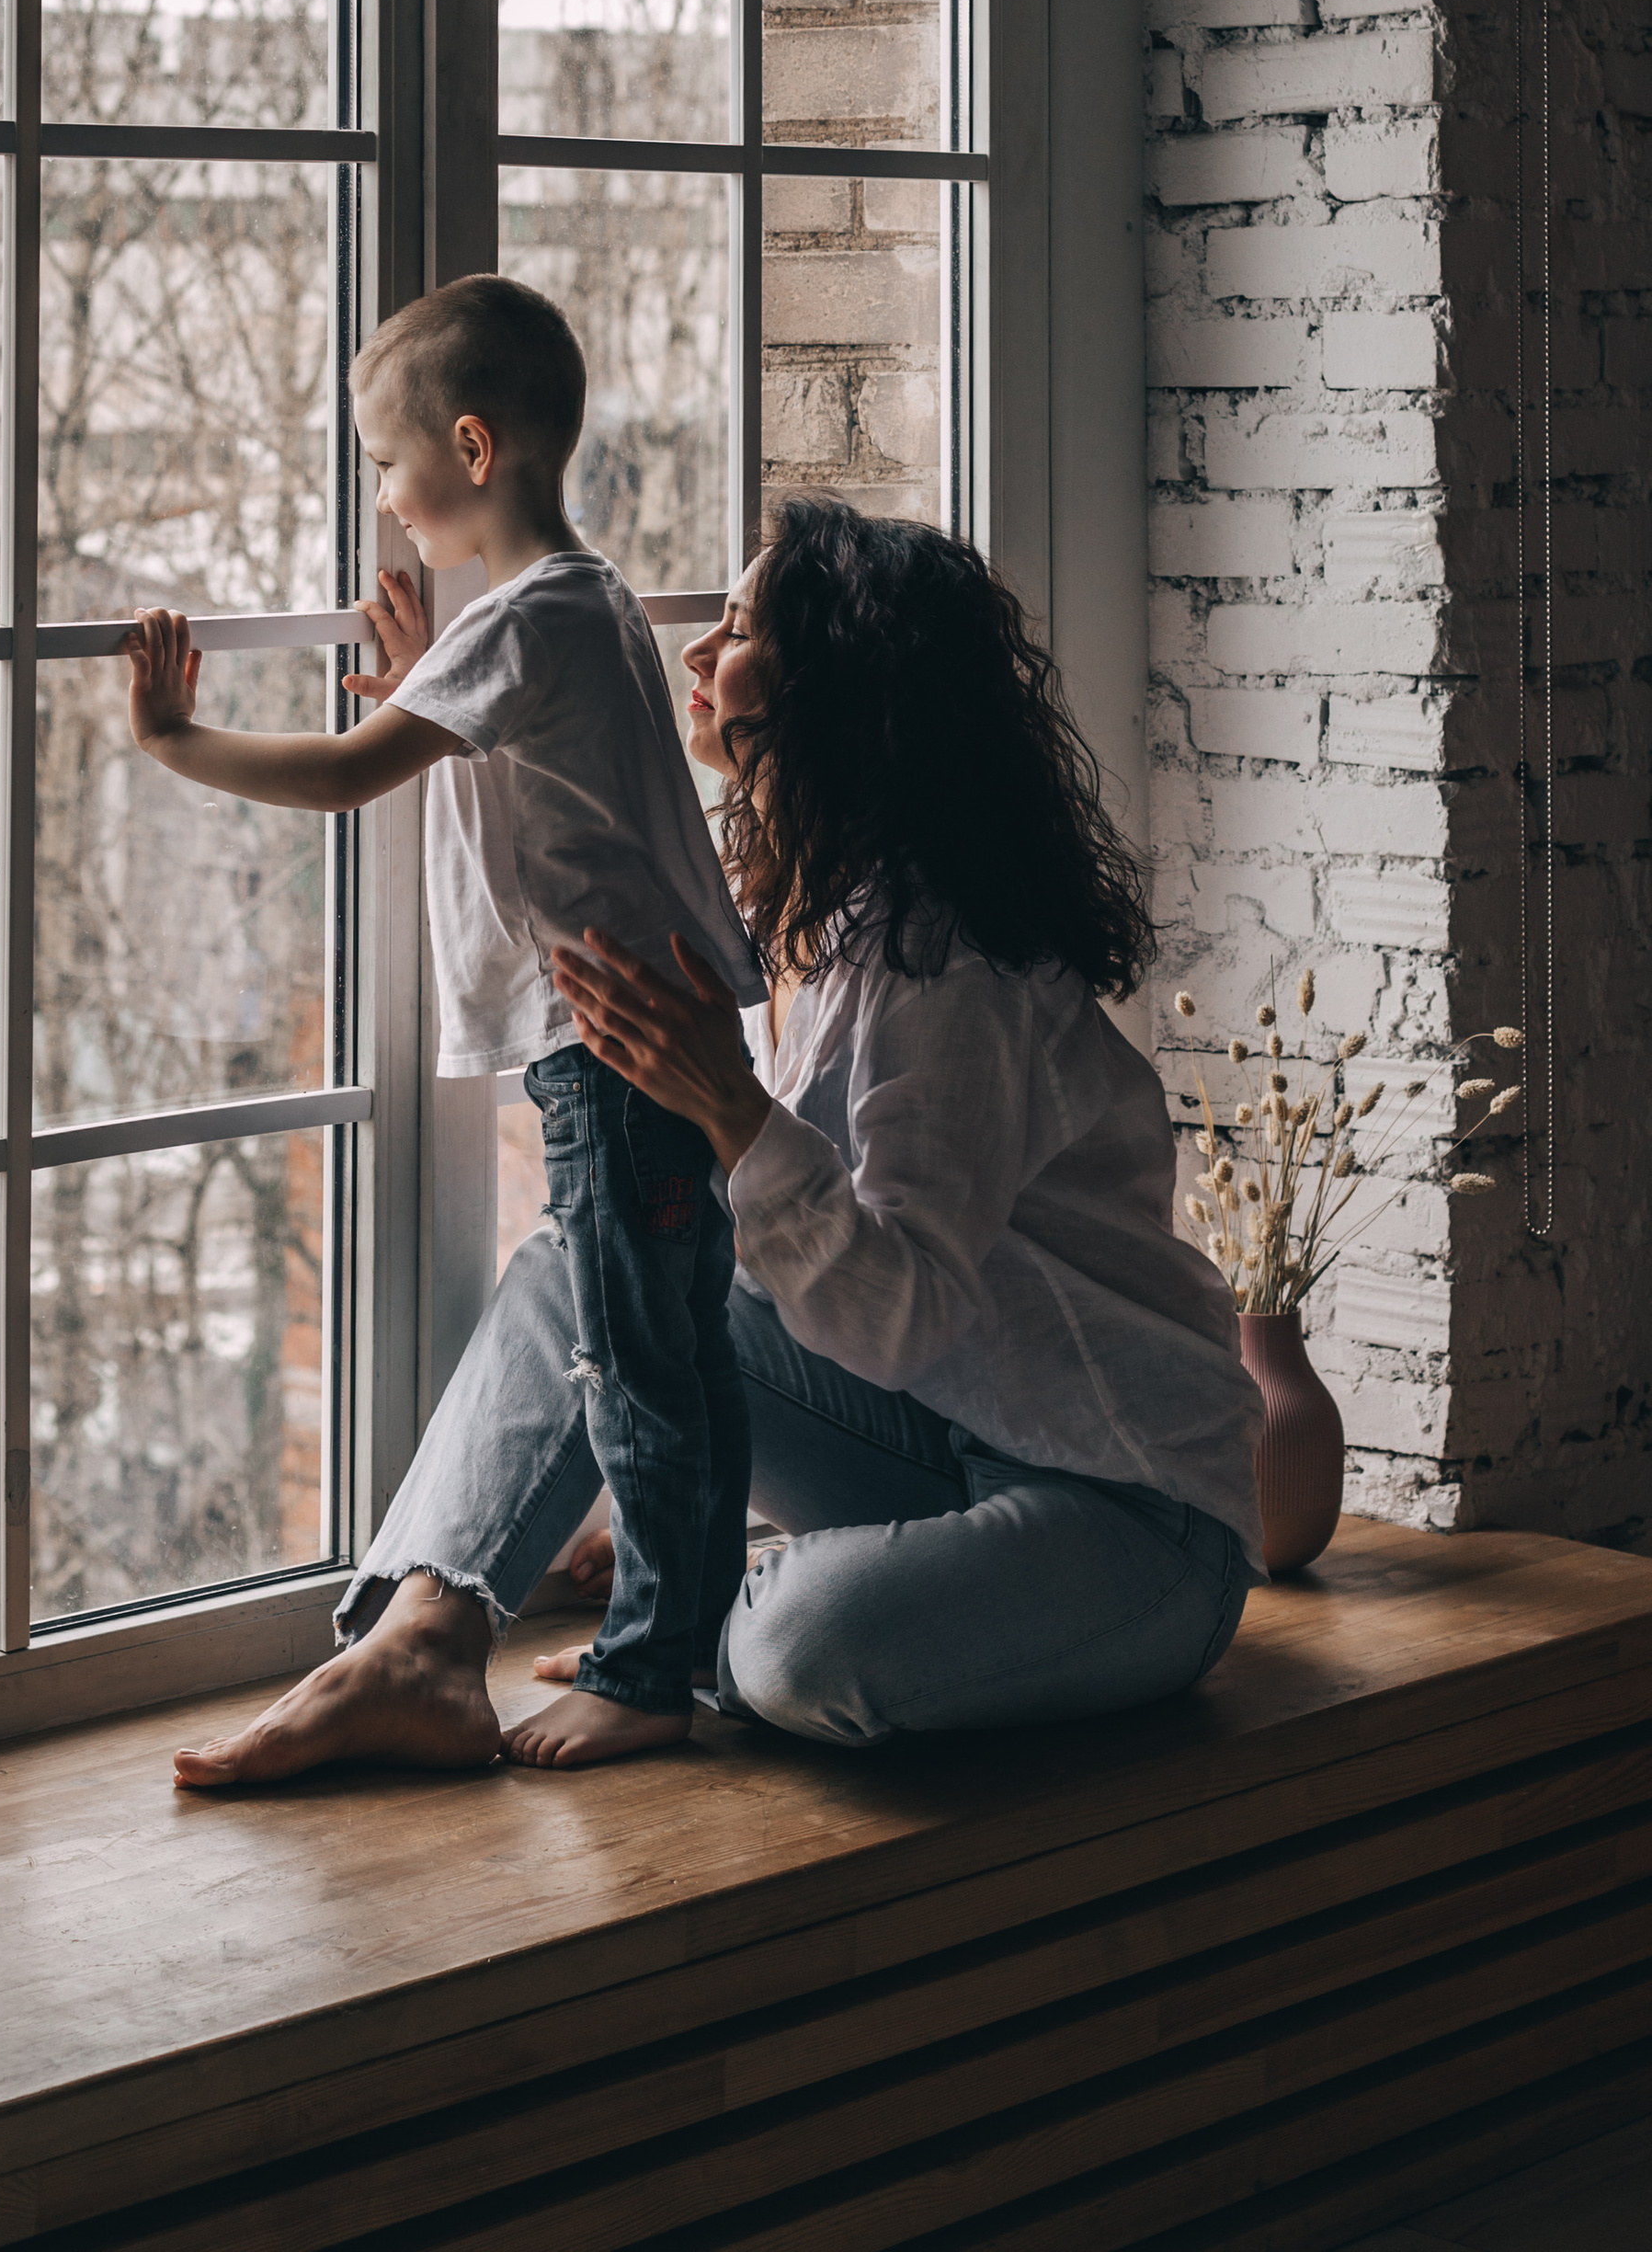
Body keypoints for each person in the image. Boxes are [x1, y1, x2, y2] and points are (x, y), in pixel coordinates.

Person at [166, 498, 1264, 1785]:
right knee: (589, 1247)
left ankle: (683, 1618)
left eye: (739, 631)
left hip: (1130, 1514)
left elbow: (901, 1309)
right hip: (933, 1443)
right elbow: (569, 845)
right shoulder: (811, 906)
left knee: (801, 1651)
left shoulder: (945, 963)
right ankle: (421, 1639)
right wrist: (454, 722)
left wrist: (732, 1112)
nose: (697, 656)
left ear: (840, 688)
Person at [124, 274, 765, 1772]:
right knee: (682, 1354)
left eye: (386, 465)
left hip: (605, 1061)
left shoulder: (523, 622)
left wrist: (174, 740)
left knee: (633, 1364)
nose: (383, 496)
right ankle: (687, 1645)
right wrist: (428, 665)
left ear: (471, 452)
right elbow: (529, 762)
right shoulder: (590, 600)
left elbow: (353, 773)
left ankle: (649, 1672)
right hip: (666, 1047)